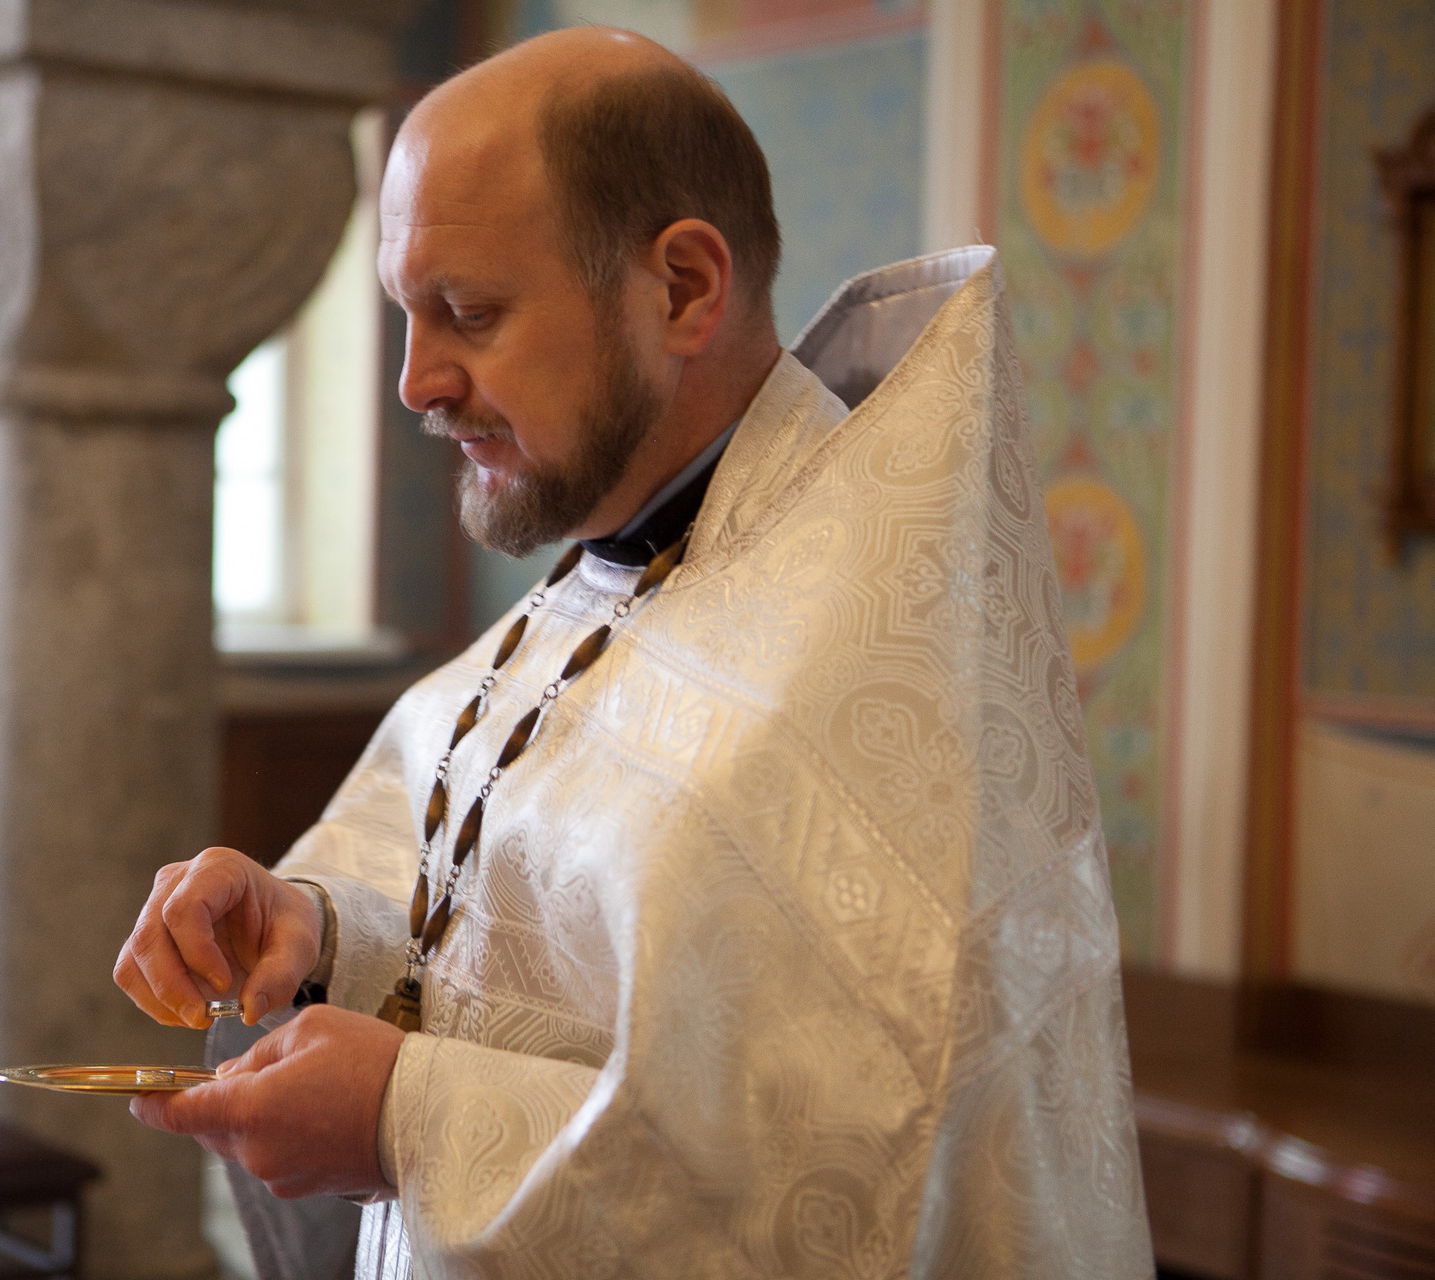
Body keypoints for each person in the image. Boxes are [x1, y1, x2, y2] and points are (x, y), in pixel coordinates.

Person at [115, 26, 1152, 1279]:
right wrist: (320, 927)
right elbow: (508, 921)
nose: (417, 382)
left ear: (682, 290)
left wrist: (406, 1113)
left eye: (470, 313)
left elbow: (845, 1176)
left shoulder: (859, 671)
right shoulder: (623, 563)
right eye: (407, 315)